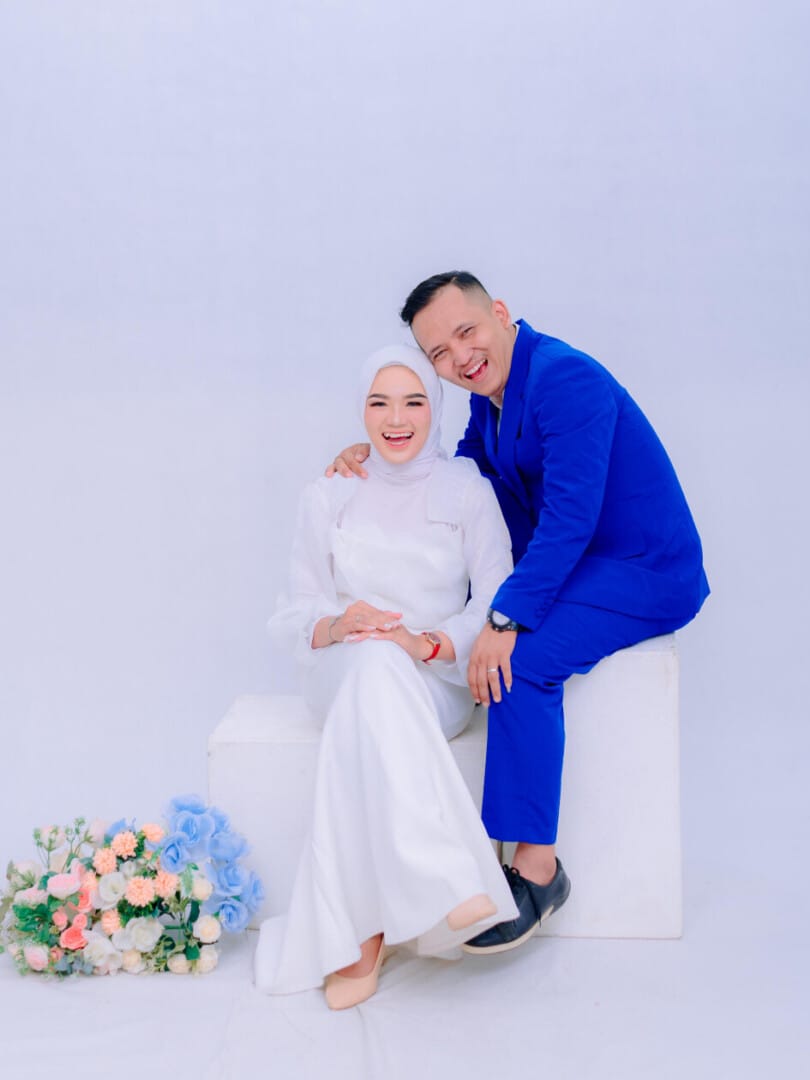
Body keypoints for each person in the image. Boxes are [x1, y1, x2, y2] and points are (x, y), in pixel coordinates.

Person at [328, 271, 710, 954]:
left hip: (642, 567)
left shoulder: (565, 379)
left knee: (521, 661)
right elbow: (459, 479)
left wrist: (504, 621)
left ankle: (537, 871)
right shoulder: (493, 401)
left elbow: (568, 520)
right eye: (440, 353)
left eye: (466, 331)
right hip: (584, 564)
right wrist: (380, 459)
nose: (460, 357)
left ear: (500, 313)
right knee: (486, 631)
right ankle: (483, 858)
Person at [254, 344, 519, 1009]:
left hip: (435, 679)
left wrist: (424, 643)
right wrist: (342, 624)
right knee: (373, 663)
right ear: (361, 409)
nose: (396, 419)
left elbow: (496, 599)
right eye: (379, 403)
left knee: (385, 671)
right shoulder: (330, 492)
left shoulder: (467, 491)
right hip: (341, 669)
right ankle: (447, 878)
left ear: (435, 406)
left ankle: (360, 934)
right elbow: (296, 611)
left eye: (413, 402)